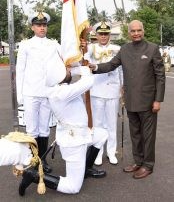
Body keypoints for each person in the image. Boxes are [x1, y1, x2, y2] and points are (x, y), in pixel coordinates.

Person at [89, 20, 165, 179]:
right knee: (135, 134)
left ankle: (148, 165)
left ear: (143, 31)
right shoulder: (124, 49)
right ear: (129, 32)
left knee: (148, 135)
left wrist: (158, 100)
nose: (136, 33)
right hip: (130, 100)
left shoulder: (152, 49)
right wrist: (95, 67)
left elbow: (160, 76)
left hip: (148, 101)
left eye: (139, 30)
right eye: (133, 31)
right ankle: (138, 161)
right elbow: (110, 65)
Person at [18, 65, 108, 196]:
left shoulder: (61, 88)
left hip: (81, 133)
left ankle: (86, 169)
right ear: (57, 77)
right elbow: (88, 81)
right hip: (74, 142)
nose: (68, 70)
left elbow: (77, 79)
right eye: (65, 70)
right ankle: (33, 176)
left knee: (101, 135)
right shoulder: (60, 93)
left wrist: (71, 69)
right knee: (73, 187)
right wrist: (82, 68)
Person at [16, 11, 64, 174]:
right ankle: (32, 158)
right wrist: (20, 95)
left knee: (44, 128)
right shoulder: (25, 45)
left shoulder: (54, 45)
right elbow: (20, 69)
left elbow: (64, 61)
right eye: (38, 25)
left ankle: (42, 159)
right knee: (31, 128)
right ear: (32, 27)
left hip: (47, 92)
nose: (42, 28)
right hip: (30, 92)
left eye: (44, 25)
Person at [83, 22, 122, 165]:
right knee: (98, 125)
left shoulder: (117, 49)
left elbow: (121, 70)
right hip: (97, 90)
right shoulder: (90, 48)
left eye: (106, 34)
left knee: (112, 124)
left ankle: (111, 152)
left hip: (113, 90)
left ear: (109, 35)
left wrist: (122, 88)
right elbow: (84, 63)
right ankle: (98, 153)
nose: (103, 36)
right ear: (96, 35)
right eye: (101, 34)